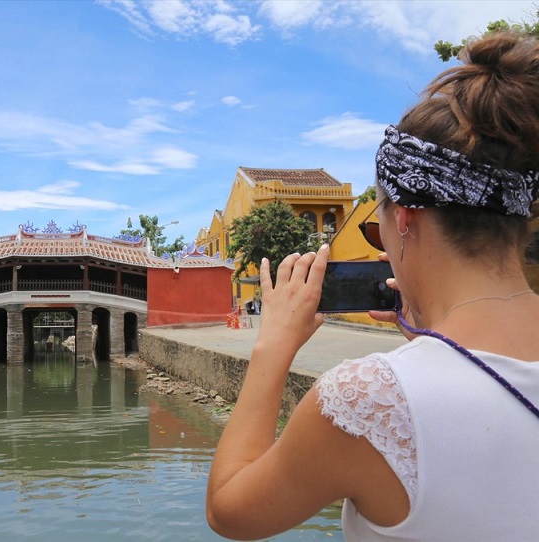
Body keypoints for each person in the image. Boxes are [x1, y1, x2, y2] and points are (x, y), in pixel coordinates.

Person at [206, 29, 539, 541]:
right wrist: (433, 340)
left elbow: (231, 511)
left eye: (375, 222)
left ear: (404, 218)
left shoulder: (370, 400)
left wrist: (273, 344)